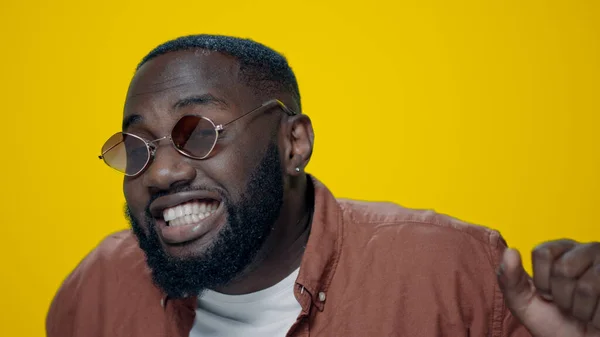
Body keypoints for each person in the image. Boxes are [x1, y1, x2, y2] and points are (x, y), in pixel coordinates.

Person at [46, 34, 600, 337]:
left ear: (294, 144)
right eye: (138, 147)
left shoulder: (457, 277)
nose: (162, 172)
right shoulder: (96, 292)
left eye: (200, 133)